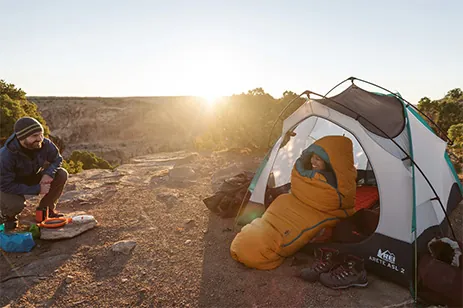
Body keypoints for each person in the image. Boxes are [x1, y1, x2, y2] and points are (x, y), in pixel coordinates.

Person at [0, 117, 68, 231]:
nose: (40, 139)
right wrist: (37, 189)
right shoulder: (6, 156)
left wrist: (48, 174)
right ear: (22, 137)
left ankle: (45, 209)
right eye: (35, 136)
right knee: (16, 205)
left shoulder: (44, 143)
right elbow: (5, 185)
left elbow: (57, 159)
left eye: (41, 134)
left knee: (61, 174)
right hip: (8, 183)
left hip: (31, 175)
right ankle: (8, 216)